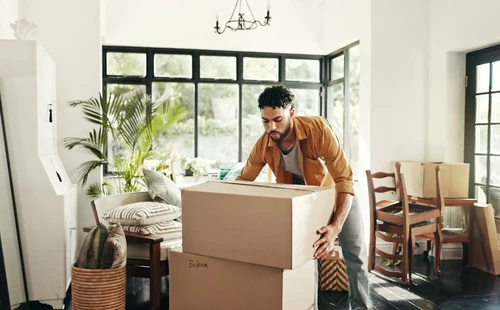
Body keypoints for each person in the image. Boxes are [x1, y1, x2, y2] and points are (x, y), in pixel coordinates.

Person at [236, 85, 370, 310]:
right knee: (307, 260)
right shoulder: (263, 145)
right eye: (265, 121)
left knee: (355, 256)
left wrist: (335, 227)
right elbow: (242, 181)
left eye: (277, 119)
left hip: (339, 194)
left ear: (291, 112)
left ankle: (362, 307)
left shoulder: (317, 129)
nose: (272, 127)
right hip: (305, 203)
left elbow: (344, 179)